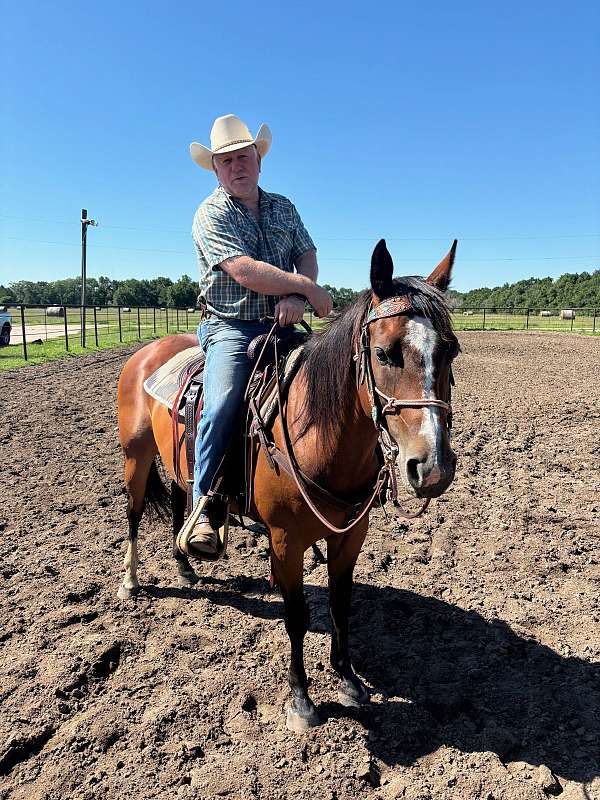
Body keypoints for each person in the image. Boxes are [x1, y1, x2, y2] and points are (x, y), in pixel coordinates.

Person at [184, 114, 333, 554]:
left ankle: (335, 483)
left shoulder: (284, 207)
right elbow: (243, 271)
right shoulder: (210, 214)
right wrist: (302, 287)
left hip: (284, 324)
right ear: (215, 169)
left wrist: (298, 298)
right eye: (226, 161)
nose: (237, 166)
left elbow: (306, 253)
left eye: (243, 157)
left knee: (335, 383)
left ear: (259, 160)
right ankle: (205, 508)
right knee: (223, 401)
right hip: (230, 326)